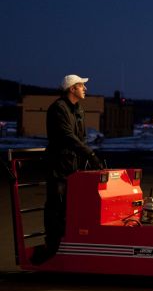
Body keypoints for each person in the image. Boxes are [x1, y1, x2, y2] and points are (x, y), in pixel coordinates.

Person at [34, 74, 103, 263]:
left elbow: (81, 137)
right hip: (58, 163)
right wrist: (89, 154)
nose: (85, 89)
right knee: (56, 204)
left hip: (73, 164)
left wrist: (87, 158)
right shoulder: (59, 108)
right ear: (72, 88)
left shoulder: (78, 108)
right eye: (82, 86)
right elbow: (67, 136)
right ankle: (52, 245)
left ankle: (66, 243)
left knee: (70, 206)